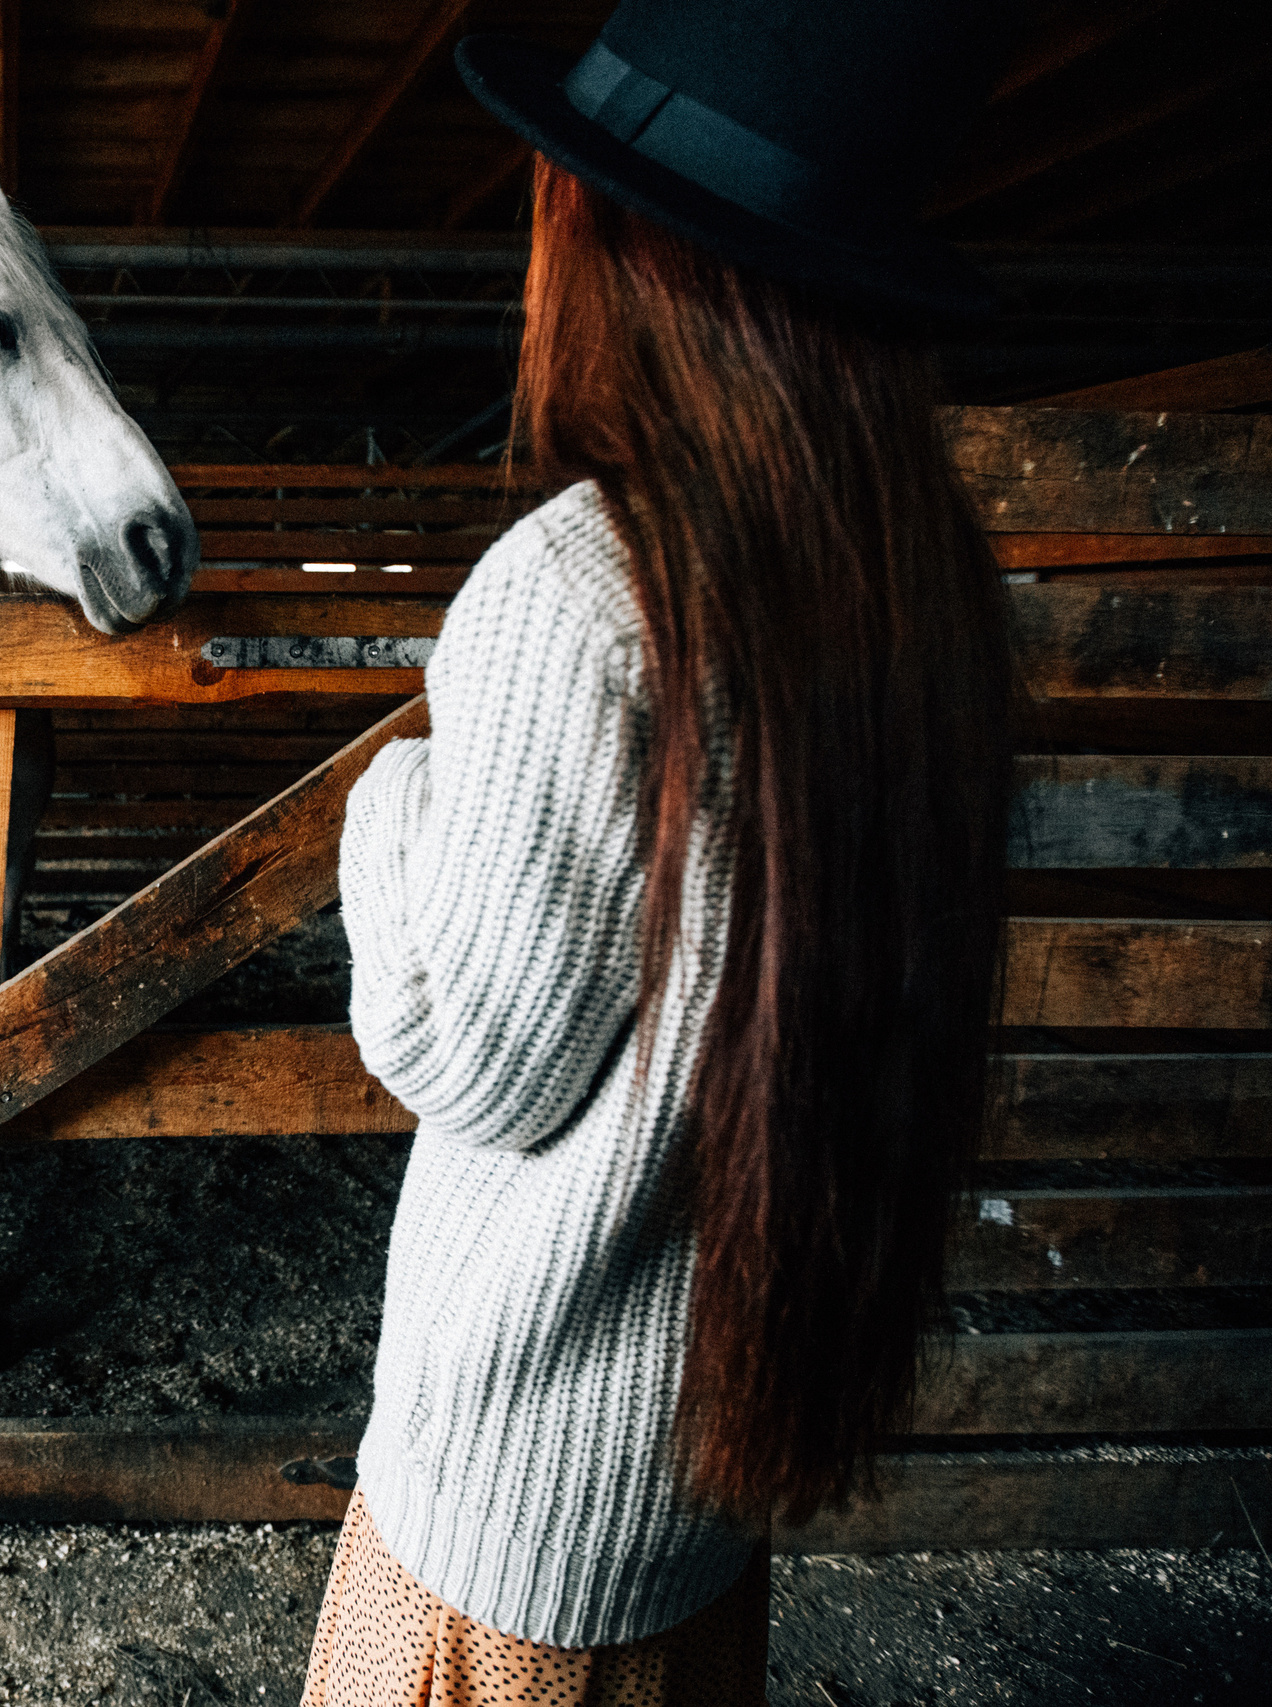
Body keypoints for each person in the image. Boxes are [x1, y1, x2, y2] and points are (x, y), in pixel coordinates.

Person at [301, 3, 1018, 1701]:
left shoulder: (580, 590)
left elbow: (467, 1055)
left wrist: (384, 806)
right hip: (695, 1466)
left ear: (614, 238)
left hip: (510, 1496)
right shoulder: (919, 589)